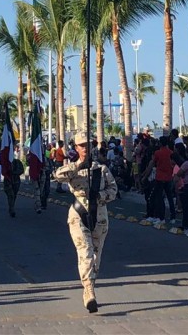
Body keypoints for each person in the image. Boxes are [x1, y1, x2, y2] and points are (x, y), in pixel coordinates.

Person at [54, 132, 117, 313]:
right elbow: (58, 176)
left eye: (88, 145)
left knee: (96, 257)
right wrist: (78, 166)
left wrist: (101, 195)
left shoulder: (101, 170)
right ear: (76, 148)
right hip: (78, 213)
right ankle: (89, 291)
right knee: (86, 253)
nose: (85, 149)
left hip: (99, 214)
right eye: (82, 145)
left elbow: (114, 189)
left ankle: (90, 285)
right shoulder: (72, 168)